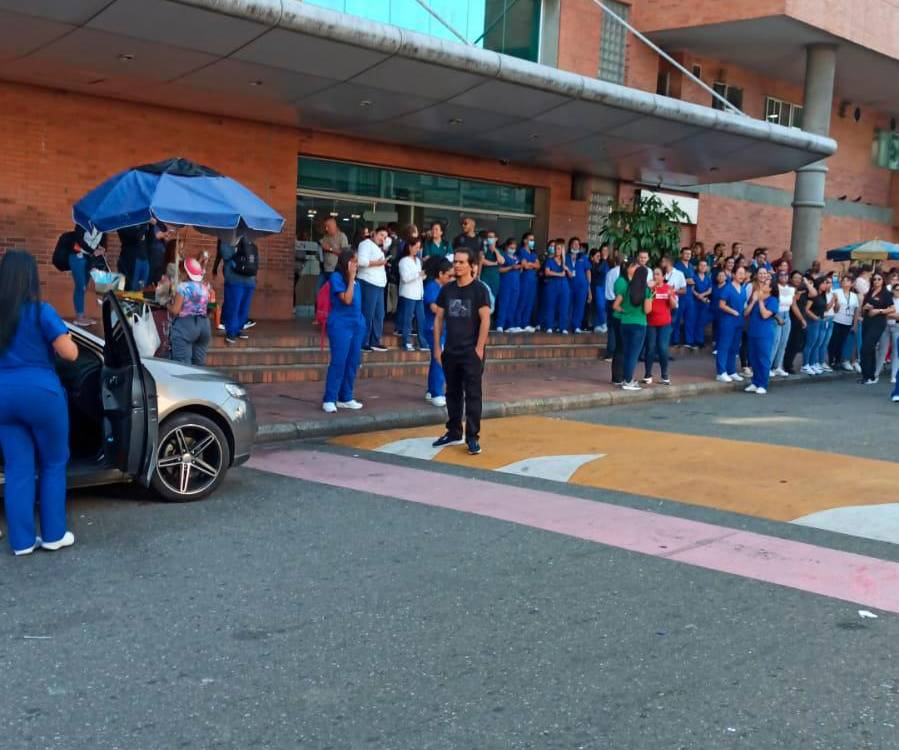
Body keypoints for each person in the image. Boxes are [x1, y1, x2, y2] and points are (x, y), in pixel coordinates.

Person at [0, 250, 79, 555]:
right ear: (31, 278)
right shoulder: (41, 312)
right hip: (41, 394)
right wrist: (64, 333)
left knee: (18, 467)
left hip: (3, 395)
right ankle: (53, 535)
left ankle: (21, 543)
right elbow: (70, 354)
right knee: (53, 463)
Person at [432, 247, 491, 456]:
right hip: (450, 351)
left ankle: (472, 437)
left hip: (471, 353)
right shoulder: (447, 290)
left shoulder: (479, 290)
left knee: (473, 395)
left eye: (461, 262)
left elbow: (485, 319)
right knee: (452, 393)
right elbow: (438, 319)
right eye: (455, 261)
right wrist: (437, 348)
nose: (456, 265)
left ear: (471, 266)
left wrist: (479, 349)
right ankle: (453, 431)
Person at [322, 249, 366, 413]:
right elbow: (347, 300)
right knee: (339, 361)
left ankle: (345, 396)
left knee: (353, 362)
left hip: (356, 325)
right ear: (346, 262)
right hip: (341, 324)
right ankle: (329, 398)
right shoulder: (337, 278)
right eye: (354, 261)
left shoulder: (357, 283)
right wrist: (351, 277)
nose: (357, 264)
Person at [613, 261, 652, 390]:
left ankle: (626, 378)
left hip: (625, 323)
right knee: (633, 355)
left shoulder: (626, 287)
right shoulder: (646, 290)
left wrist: (625, 312)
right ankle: (628, 381)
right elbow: (647, 310)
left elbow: (616, 305)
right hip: (639, 324)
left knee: (626, 352)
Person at [167, 257, 212, 366]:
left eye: (181, 272)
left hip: (186, 326)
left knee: (183, 366)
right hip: (204, 326)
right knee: (199, 365)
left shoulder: (183, 287)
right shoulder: (205, 287)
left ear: (186, 273)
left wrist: (167, 305)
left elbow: (175, 311)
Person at [423, 256, 453, 408]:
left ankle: (431, 391)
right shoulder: (431, 287)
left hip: (442, 328)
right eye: (449, 275)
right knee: (439, 360)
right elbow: (434, 307)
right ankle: (436, 393)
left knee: (437, 360)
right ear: (440, 274)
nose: (451, 278)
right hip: (433, 328)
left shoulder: (443, 288)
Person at [218, 236, 258, 345]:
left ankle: (237, 329)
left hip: (248, 280)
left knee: (243, 307)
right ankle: (231, 331)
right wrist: (237, 249)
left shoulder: (246, 239)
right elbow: (225, 254)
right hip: (235, 279)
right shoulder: (228, 238)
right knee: (233, 306)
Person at [356, 226, 389, 353]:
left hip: (379, 284)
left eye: (385, 237)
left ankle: (375, 341)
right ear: (373, 233)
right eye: (381, 235)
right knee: (367, 313)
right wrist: (378, 263)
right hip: (368, 282)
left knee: (379, 315)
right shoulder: (365, 243)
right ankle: (363, 341)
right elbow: (361, 261)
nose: (383, 239)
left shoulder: (378, 248)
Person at [744, 275, 778, 394]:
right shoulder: (755, 296)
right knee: (753, 358)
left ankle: (763, 384)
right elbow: (746, 313)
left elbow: (765, 315)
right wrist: (753, 300)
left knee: (763, 359)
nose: (762, 285)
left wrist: (760, 300)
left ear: (770, 288)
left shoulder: (773, 300)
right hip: (753, 332)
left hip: (764, 334)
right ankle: (755, 382)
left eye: (766, 284)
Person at [642, 268, 676, 385]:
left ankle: (665, 376)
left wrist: (670, 296)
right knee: (650, 348)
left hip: (664, 323)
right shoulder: (649, 287)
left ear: (663, 276)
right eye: (654, 274)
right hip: (651, 323)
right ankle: (647, 374)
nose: (655, 276)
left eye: (657, 274)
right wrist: (650, 290)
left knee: (662, 349)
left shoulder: (668, 288)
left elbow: (673, 306)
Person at [716, 266, 749, 382]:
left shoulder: (743, 288)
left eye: (743, 273)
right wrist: (732, 311)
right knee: (724, 346)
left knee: (734, 347)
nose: (741, 275)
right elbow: (721, 304)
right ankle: (721, 372)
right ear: (733, 274)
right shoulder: (727, 288)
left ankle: (731, 371)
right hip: (728, 321)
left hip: (739, 322)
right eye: (739, 273)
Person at [859, 272, 892, 384]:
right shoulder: (869, 293)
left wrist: (879, 311)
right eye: (875, 279)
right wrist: (865, 307)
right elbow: (863, 310)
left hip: (878, 323)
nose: (876, 281)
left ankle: (870, 375)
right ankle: (868, 375)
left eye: (879, 279)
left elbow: (892, 309)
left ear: (883, 281)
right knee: (868, 348)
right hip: (867, 322)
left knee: (867, 347)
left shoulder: (886, 293)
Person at [397, 235, 428, 351]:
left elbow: (418, 277)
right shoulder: (403, 261)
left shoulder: (418, 261)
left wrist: (423, 275)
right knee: (407, 319)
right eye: (416, 247)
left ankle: (422, 343)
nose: (417, 249)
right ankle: (406, 342)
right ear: (409, 247)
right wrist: (419, 274)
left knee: (421, 319)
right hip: (408, 294)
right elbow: (405, 278)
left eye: (419, 247)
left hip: (418, 294)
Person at [829, 274, 860, 371]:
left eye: (847, 281)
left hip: (848, 322)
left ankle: (838, 361)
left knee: (842, 342)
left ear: (851, 283)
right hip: (836, 320)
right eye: (843, 280)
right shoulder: (836, 292)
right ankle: (831, 360)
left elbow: (856, 311)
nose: (845, 282)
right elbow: (834, 308)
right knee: (834, 341)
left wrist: (854, 325)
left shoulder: (854, 296)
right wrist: (836, 303)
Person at [801, 276, 830, 375]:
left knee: (816, 343)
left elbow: (824, 308)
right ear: (819, 283)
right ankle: (805, 365)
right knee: (810, 343)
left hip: (820, 321)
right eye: (824, 283)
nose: (826, 285)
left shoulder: (823, 295)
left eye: (826, 283)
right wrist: (815, 317)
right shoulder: (814, 294)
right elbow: (806, 309)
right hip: (812, 321)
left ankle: (812, 363)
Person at [771, 270, 798, 377]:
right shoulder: (774, 288)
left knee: (783, 342)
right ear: (777, 277)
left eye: (786, 275)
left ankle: (778, 366)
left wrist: (801, 319)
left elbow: (793, 305)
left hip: (787, 315)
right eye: (781, 275)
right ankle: (769, 367)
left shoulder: (792, 289)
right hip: (777, 314)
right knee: (775, 341)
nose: (784, 277)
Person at [496, 238, 521, 333]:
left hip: (516, 283)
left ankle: (509, 325)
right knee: (504, 303)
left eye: (514, 248)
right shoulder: (503, 256)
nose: (512, 249)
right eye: (511, 247)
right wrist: (511, 267)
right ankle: (500, 324)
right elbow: (499, 269)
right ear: (506, 247)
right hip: (505, 283)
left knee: (513, 304)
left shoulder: (516, 257)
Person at [542, 242, 568, 334]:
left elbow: (571, 275)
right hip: (552, 284)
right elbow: (547, 272)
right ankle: (549, 326)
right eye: (556, 248)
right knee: (551, 305)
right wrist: (559, 274)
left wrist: (566, 267)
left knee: (563, 306)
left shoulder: (565, 261)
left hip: (564, 285)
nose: (557, 250)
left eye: (560, 249)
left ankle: (563, 327)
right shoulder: (550, 260)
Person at [515, 232, 538, 333]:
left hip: (532, 280)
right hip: (524, 279)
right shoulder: (521, 251)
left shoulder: (533, 253)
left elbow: (539, 266)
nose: (532, 242)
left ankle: (526, 324)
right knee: (522, 301)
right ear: (525, 240)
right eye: (530, 239)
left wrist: (531, 264)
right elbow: (525, 265)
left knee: (530, 302)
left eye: (533, 240)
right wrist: (532, 264)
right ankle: (518, 324)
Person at [318, 216, 348, 293]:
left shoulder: (342, 236)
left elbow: (345, 254)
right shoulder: (326, 236)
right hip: (325, 269)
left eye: (328, 226)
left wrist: (330, 249)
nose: (326, 229)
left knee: (332, 293)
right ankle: (319, 305)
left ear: (334, 226)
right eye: (325, 227)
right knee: (318, 291)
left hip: (335, 270)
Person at [672, 248, 695, 347]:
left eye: (689, 254)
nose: (688, 255)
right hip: (680, 295)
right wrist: (686, 281)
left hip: (690, 295)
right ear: (681, 254)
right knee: (677, 318)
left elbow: (693, 279)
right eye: (685, 253)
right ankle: (675, 340)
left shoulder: (690, 266)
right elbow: (675, 280)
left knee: (690, 318)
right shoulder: (677, 266)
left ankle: (688, 341)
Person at [567, 237, 591, 333]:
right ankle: (566, 325)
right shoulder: (566, 256)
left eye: (578, 244)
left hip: (581, 285)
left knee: (580, 306)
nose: (576, 246)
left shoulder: (583, 257)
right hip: (569, 284)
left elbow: (588, 271)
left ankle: (577, 325)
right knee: (568, 305)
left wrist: (588, 286)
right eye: (574, 244)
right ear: (570, 245)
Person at [118, 223, 151, 292]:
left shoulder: (141, 222)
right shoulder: (124, 222)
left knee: (142, 289)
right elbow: (135, 237)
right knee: (132, 289)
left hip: (145, 259)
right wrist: (144, 224)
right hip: (132, 259)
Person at [479, 230, 503, 315]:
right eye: (488, 237)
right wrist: (494, 263)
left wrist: (495, 250)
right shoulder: (483, 250)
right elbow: (482, 261)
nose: (490, 239)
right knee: (484, 301)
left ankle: (489, 322)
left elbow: (501, 261)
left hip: (495, 279)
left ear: (496, 239)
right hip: (484, 277)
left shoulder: (499, 251)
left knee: (492, 301)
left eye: (492, 237)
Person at [691, 258, 712, 347]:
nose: (703, 267)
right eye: (701, 265)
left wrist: (702, 295)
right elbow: (692, 289)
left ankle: (700, 340)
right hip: (694, 302)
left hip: (704, 302)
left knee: (701, 322)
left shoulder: (708, 278)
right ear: (697, 267)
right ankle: (693, 341)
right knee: (693, 320)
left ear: (707, 267)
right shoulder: (694, 277)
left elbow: (710, 290)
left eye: (704, 265)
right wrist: (698, 296)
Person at [591, 244, 611, 333]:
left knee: (605, 306)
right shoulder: (598, 261)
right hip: (599, 286)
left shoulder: (610, 262)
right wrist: (604, 260)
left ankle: (602, 324)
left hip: (607, 286)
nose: (605, 252)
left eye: (607, 250)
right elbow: (597, 270)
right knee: (599, 306)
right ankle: (601, 323)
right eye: (603, 250)